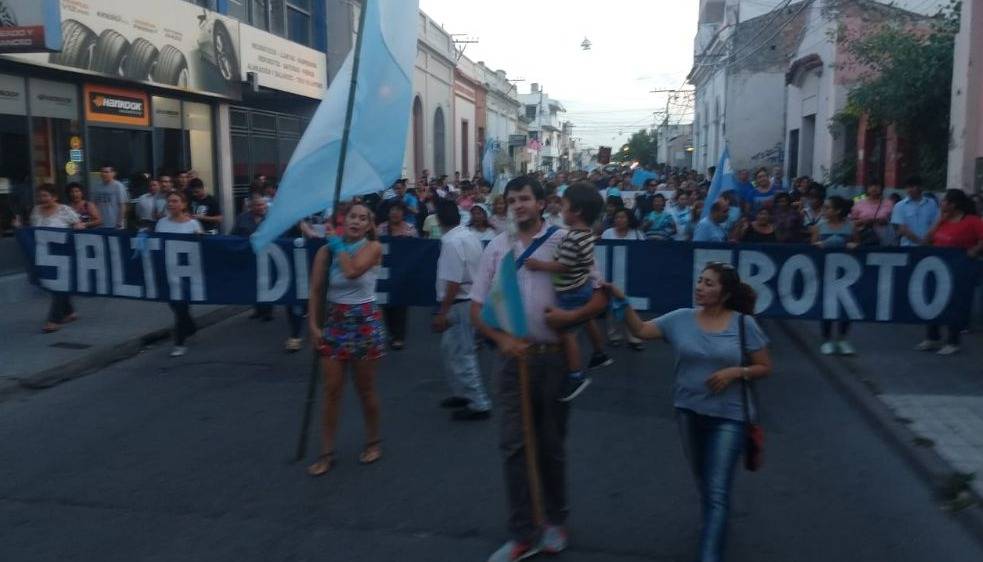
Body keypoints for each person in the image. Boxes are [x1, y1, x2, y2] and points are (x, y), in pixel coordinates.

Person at [471, 176, 608, 562]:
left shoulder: (565, 241)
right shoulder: (497, 248)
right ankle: (522, 533)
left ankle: (554, 522)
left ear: (541, 203)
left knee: (550, 446)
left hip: (554, 360)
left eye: (525, 198)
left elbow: (600, 295)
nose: (518, 206)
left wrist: (571, 316)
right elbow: (476, 308)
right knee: (514, 446)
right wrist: (501, 340)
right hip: (512, 361)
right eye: (511, 200)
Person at [606, 263, 772, 562]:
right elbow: (641, 330)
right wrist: (621, 299)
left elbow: (764, 366)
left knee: (718, 488)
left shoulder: (743, 325)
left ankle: (710, 552)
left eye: (708, 283)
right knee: (703, 480)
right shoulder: (681, 318)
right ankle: (714, 520)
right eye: (699, 281)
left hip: (730, 416)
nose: (700, 287)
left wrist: (736, 371)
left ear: (724, 293)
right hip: (688, 411)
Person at [306, 202, 386, 477]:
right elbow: (315, 291)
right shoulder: (325, 252)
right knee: (331, 390)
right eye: (352, 216)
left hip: (364, 321)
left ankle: (373, 440)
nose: (356, 221)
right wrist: (313, 326)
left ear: (368, 225)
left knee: (365, 389)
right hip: (335, 322)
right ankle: (326, 452)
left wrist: (336, 245)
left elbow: (352, 271)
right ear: (344, 219)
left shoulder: (373, 248)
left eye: (363, 218)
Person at [525, 181, 613, 402]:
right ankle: (599, 352)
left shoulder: (573, 237)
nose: (561, 210)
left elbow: (564, 265)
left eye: (564, 206)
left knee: (567, 333)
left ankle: (575, 376)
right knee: (586, 317)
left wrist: (539, 265)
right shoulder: (584, 233)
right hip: (581, 286)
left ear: (577, 211)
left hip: (571, 289)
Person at [431, 199, 492, 421]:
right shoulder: (468, 236)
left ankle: (479, 402)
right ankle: (462, 393)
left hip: (459, 303)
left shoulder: (451, 242)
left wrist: (442, 312)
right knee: (451, 351)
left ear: (439, 220)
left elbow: (453, 282)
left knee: (462, 353)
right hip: (467, 300)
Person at [919, 189, 983, 355]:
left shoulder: (972, 221)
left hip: (960, 270)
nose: (942, 204)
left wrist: (975, 250)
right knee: (933, 301)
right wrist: (939, 221)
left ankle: (953, 341)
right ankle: (932, 337)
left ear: (953, 204)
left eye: (945, 201)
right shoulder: (943, 220)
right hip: (939, 268)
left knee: (954, 304)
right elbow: (926, 241)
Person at [155, 192, 204, 357]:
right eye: (169, 201)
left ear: (183, 204)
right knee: (174, 305)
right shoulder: (161, 223)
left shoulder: (193, 224)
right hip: (168, 271)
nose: (171, 204)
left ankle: (179, 342)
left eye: (175, 201)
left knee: (181, 305)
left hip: (186, 273)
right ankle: (190, 326)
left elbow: (201, 248)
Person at [30, 183, 84, 333]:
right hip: (45, 254)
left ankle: (53, 320)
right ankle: (69, 311)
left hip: (63, 254)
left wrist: (78, 228)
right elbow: (33, 231)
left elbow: (79, 226)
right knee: (56, 285)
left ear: (54, 197)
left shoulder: (65, 210)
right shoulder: (36, 211)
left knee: (58, 285)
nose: (42, 199)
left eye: (46, 195)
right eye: (40, 196)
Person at [812, 196, 858, 355]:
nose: (824, 210)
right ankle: (827, 339)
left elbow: (857, 245)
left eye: (828, 208)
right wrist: (817, 245)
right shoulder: (819, 226)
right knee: (827, 306)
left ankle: (842, 339)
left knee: (847, 306)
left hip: (846, 275)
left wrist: (854, 245)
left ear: (838, 210)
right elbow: (811, 248)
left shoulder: (851, 227)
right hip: (826, 272)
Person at [377, 201, 417, 350]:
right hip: (384, 272)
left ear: (403, 212)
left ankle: (399, 336)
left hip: (402, 273)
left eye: (398, 210)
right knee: (386, 304)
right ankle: (391, 333)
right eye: (392, 209)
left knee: (401, 304)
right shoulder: (380, 229)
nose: (395, 213)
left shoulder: (410, 230)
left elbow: (415, 251)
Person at [891, 175, 939, 247]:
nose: (910, 190)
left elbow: (936, 223)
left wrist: (927, 241)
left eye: (913, 186)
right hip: (907, 246)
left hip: (928, 245)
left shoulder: (931, 203)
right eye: (908, 187)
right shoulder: (899, 206)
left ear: (920, 187)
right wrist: (920, 242)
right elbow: (902, 229)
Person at [91, 164, 129, 229]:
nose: (104, 174)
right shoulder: (97, 186)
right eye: (102, 172)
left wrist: (119, 222)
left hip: (115, 224)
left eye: (106, 172)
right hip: (100, 224)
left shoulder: (118, 186)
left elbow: (123, 206)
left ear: (113, 173)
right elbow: (93, 205)